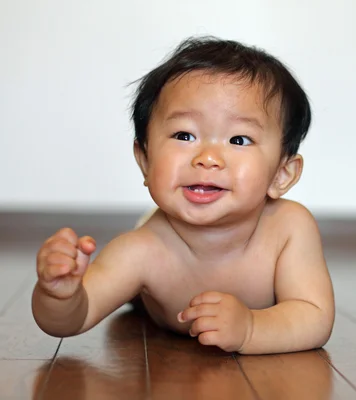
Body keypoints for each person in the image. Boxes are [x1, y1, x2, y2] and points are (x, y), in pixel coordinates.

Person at [31, 36, 335, 355]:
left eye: (240, 140)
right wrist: (60, 295)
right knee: (135, 259)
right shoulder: (142, 249)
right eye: (184, 135)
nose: (208, 157)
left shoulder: (288, 228)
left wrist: (251, 329)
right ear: (145, 160)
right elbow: (70, 321)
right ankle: (138, 292)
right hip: (155, 247)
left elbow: (313, 315)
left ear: (281, 175)